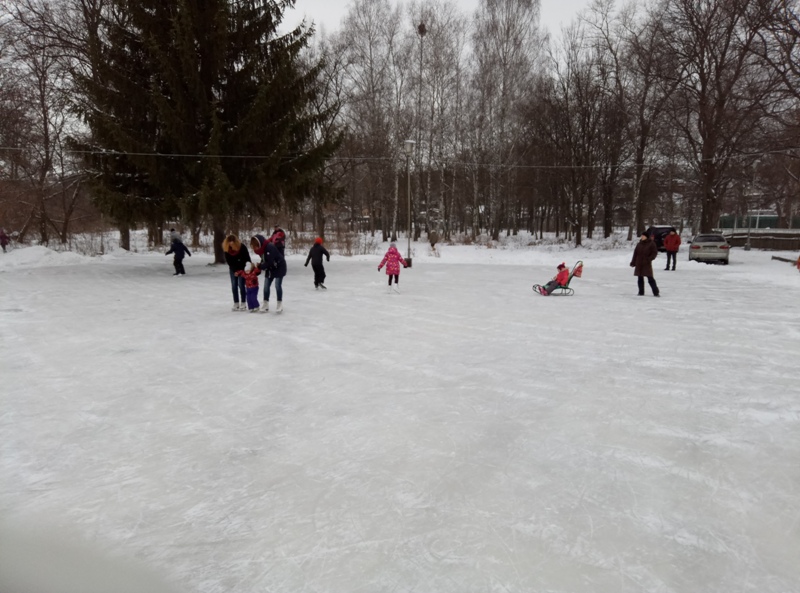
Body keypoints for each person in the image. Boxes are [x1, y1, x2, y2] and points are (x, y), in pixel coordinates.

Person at [250, 234, 287, 313]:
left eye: (255, 246)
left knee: (277, 285)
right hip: (270, 268)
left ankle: (279, 303)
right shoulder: (261, 250)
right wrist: (259, 266)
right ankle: (265, 304)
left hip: (279, 266)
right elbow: (264, 260)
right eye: (253, 247)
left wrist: (261, 267)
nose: (255, 248)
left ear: (259, 243)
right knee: (266, 286)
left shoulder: (270, 247)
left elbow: (269, 261)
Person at [222, 234, 251, 311]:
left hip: (242, 268)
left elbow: (247, 259)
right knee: (234, 285)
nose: (231, 245)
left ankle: (243, 302)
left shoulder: (242, 247)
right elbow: (229, 262)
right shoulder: (227, 249)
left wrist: (243, 269)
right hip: (233, 269)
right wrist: (234, 270)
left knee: (241, 285)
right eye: (230, 243)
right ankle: (236, 302)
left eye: (232, 243)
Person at [631, 230, 660, 297]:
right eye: (642, 236)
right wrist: (633, 262)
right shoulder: (639, 244)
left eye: (643, 236)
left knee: (650, 278)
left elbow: (654, 253)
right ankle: (641, 292)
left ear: (647, 237)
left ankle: (656, 292)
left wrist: (649, 259)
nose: (642, 237)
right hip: (639, 263)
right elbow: (635, 253)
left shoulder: (651, 243)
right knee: (640, 278)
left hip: (646, 263)